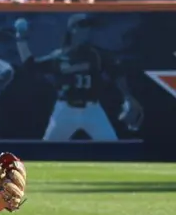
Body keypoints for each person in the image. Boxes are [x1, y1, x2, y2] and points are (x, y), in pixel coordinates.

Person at [14, 12, 144, 140]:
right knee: (47, 149)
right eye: (83, 26)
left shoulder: (97, 55)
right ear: (73, 30)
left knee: (112, 147)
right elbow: (31, 66)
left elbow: (117, 73)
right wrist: (21, 40)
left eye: (88, 27)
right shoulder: (59, 56)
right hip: (65, 109)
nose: (86, 30)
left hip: (92, 109)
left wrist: (128, 96)